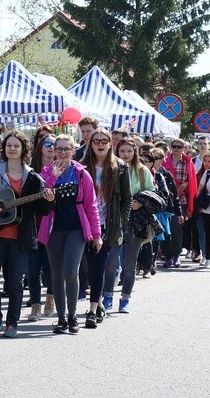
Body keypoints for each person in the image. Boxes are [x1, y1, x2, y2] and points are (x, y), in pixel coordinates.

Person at [0, 131, 54, 338]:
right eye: (9, 145)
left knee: (14, 283)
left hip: (21, 238)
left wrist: (49, 200)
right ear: (4, 149)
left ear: (24, 150)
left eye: (16, 146)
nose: (12, 149)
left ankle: (12, 323)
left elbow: (42, 210)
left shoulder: (33, 178)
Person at [39, 134, 101, 334]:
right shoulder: (47, 171)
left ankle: (73, 315)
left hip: (76, 228)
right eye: (59, 149)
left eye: (67, 149)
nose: (63, 153)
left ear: (74, 150)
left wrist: (97, 234)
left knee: (70, 271)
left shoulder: (82, 174)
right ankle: (61, 317)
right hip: (53, 228)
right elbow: (41, 197)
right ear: (54, 150)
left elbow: (92, 205)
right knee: (56, 274)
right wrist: (53, 177)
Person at [80, 129, 130, 325]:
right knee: (86, 267)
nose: (100, 144)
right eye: (96, 141)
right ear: (91, 144)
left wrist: (120, 221)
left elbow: (127, 198)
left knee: (99, 266)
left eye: (104, 141)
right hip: (85, 224)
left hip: (107, 225)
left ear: (110, 144)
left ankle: (92, 310)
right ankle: (99, 303)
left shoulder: (120, 167)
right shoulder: (82, 167)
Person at [114, 137, 154, 313]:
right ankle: (107, 296)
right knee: (111, 262)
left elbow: (152, 192)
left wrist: (140, 201)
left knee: (130, 264)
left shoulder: (142, 170)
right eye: (122, 151)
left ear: (135, 152)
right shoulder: (113, 168)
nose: (126, 154)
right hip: (115, 218)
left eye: (129, 151)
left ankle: (125, 299)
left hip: (135, 219)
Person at [27, 132, 56, 320]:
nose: (51, 147)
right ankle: (35, 304)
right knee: (32, 267)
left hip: (52, 224)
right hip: (31, 224)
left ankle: (50, 299)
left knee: (50, 266)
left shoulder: (61, 168)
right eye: (47, 143)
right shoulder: (30, 169)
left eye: (55, 144)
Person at [161, 138, 197, 268]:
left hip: (181, 200)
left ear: (184, 148)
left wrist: (186, 184)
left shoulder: (188, 162)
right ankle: (167, 254)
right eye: (174, 146)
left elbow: (192, 181)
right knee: (165, 228)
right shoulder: (165, 161)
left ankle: (176, 254)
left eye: (179, 146)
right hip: (166, 200)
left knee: (176, 228)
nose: (176, 148)